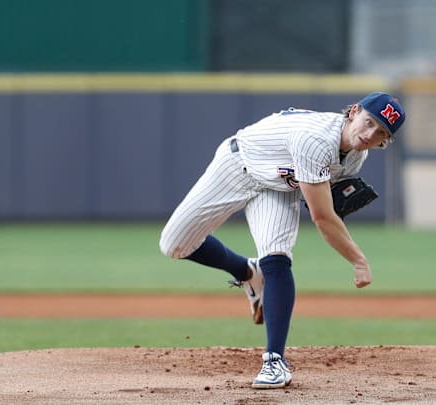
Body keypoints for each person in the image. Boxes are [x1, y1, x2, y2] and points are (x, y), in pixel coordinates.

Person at [159, 92, 406, 389]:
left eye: (381, 133)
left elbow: (322, 198)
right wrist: (358, 259)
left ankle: (275, 361)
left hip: (278, 188)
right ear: (354, 112)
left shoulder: (357, 154)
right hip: (238, 165)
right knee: (173, 245)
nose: (370, 135)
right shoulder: (316, 139)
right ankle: (247, 272)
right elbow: (323, 217)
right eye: (369, 122)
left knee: (277, 257)